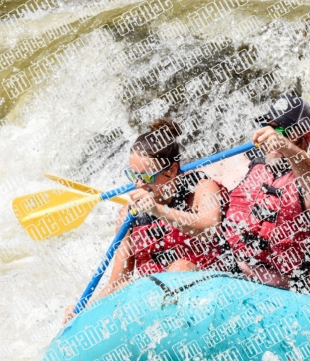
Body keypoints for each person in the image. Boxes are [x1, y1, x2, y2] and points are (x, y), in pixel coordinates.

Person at [65, 119, 231, 319]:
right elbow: (117, 282)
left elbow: (210, 229)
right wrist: (83, 313)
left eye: (147, 177)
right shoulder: (129, 214)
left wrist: (157, 209)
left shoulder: (202, 189)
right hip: (155, 306)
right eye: (133, 175)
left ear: (171, 170)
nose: (138, 184)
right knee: (126, 287)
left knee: (179, 268)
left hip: (209, 294)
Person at [223, 93, 310, 291]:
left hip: (280, 285)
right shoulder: (252, 165)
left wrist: (286, 147)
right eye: (269, 127)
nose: (271, 135)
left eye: (280, 130)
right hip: (232, 270)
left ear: (306, 137)